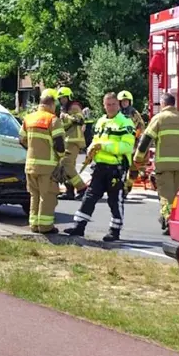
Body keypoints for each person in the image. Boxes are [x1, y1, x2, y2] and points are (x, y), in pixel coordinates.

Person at [64, 92, 135, 242]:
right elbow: (95, 140)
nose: (110, 107)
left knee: (115, 200)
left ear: (118, 105)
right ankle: (79, 227)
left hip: (116, 168)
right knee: (89, 197)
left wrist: (103, 146)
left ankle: (114, 231)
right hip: (100, 167)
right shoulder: (101, 121)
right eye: (107, 104)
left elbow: (126, 147)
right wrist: (91, 151)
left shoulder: (125, 122)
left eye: (113, 104)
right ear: (103, 105)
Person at [133, 92, 179, 235]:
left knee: (166, 196)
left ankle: (168, 220)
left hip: (164, 164)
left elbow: (145, 140)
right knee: (177, 194)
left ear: (162, 104)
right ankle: (178, 220)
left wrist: (138, 157)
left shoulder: (158, 119)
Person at [18, 89, 66, 234]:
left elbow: (21, 140)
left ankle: (34, 224)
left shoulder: (29, 118)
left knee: (34, 195)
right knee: (48, 196)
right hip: (48, 166)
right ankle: (45, 226)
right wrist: (61, 157)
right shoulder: (53, 120)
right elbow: (59, 144)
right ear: (52, 105)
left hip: (30, 165)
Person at [57, 88, 87, 200]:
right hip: (67, 140)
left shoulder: (74, 106)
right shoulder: (64, 108)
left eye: (64, 98)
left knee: (66, 164)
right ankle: (69, 192)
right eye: (60, 99)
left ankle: (82, 188)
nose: (62, 100)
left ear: (69, 97)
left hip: (73, 140)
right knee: (67, 167)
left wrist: (65, 117)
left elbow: (80, 120)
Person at [118, 90, 145, 200]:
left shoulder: (134, 113)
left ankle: (127, 188)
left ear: (130, 102)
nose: (124, 103)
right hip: (119, 145)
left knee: (133, 170)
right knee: (120, 168)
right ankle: (120, 189)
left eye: (126, 101)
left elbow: (141, 126)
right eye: (122, 101)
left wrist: (135, 137)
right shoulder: (116, 114)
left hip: (132, 145)